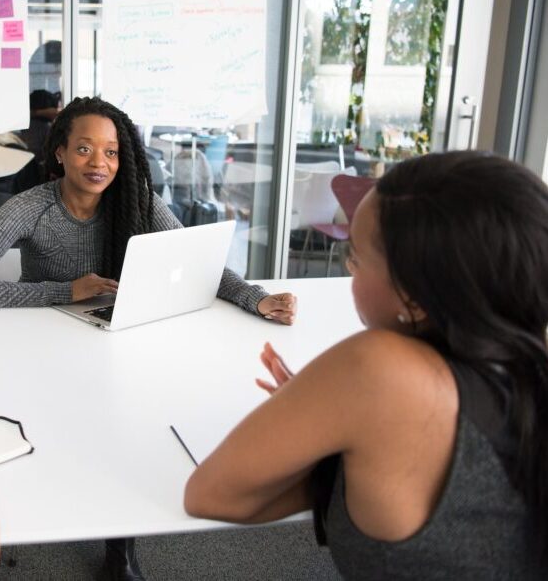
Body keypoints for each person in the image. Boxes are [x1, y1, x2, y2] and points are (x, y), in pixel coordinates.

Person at [0, 96, 297, 580]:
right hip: (37, 344)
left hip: (111, 337)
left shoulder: (136, 202)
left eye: (110, 152)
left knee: (128, 425)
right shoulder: (31, 208)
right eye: (85, 149)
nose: (99, 163)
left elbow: (198, 263)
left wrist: (255, 298)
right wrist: (66, 291)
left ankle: (119, 548)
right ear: (60, 152)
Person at [184, 151, 548, 579]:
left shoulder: (378, 370)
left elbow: (211, 494)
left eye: (355, 257)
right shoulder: (527, 367)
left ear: (412, 294)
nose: (349, 270)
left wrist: (327, 424)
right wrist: (348, 426)